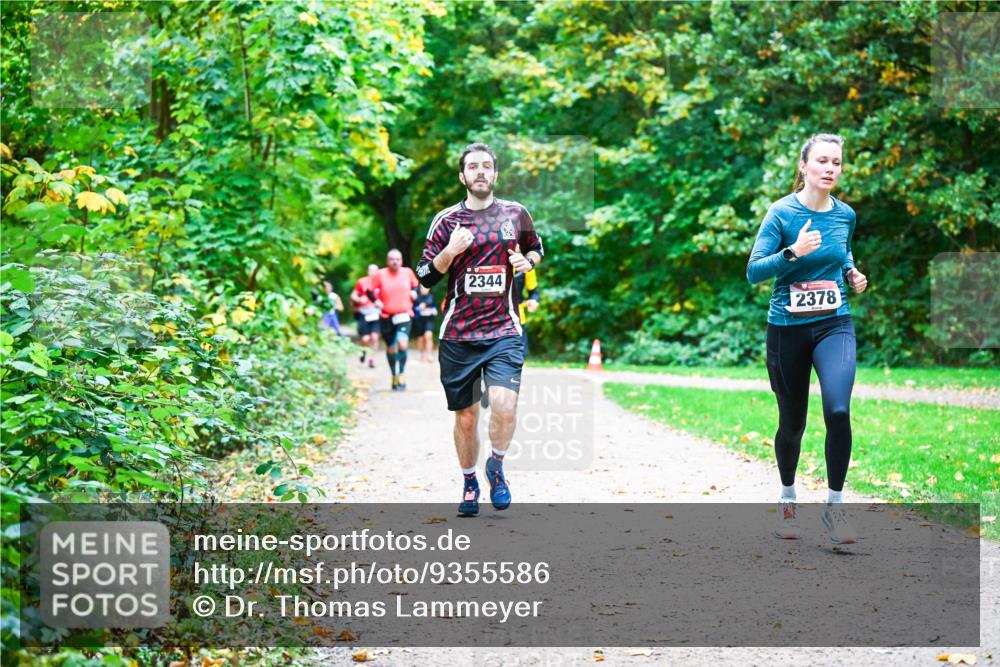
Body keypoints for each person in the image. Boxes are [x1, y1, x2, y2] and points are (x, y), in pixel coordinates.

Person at [746, 133, 868, 545]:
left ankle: (835, 509)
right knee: (792, 423)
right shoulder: (781, 213)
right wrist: (792, 252)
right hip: (787, 330)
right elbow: (754, 271)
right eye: (822, 161)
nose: (830, 168)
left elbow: (843, 252)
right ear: (804, 166)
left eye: (837, 162)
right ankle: (787, 499)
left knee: (838, 409)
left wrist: (852, 273)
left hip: (835, 323)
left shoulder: (845, 214)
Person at [415, 142, 544, 517]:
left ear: (496, 174)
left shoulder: (515, 214)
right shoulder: (446, 221)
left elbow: (536, 248)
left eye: (487, 166)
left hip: (504, 329)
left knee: (504, 405)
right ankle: (469, 481)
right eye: (473, 167)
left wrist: (527, 261)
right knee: (467, 416)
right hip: (459, 335)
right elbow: (425, 275)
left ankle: (496, 467)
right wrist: (450, 251)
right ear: (462, 176)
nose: (481, 171)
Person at [369, 249, 418, 391]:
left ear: (401, 261)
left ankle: (401, 373)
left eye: (397, 259)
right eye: (392, 259)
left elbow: (416, 285)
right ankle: (394, 375)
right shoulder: (380, 274)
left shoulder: (407, 272)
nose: (395, 262)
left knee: (402, 344)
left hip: (404, 314)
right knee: (391, 348)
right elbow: (368, 290)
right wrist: (376, 301)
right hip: (386, 316)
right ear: (387, 261)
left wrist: (414, 292)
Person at [351, 264, 381, 367]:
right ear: (368, 271)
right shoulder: (362, 282)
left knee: (375, 337)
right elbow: (353, 295)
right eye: (371, 270)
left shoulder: (381, 282)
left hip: (376, 313)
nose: (373, 272)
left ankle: (372, 359)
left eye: (375, 270)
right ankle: (363, 352)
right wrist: (359, 299)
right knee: (365, 339)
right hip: (364, 313)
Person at [513, 268, 540, 356]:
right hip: (487, 318)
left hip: (517, 318)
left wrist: (534, 300)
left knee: (519, 354)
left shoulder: (526, 265)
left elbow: (534, 292)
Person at [411, 285, 439, 362]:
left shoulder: (431, 296)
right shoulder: (416, 297)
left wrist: (434, 310)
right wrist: (419, 308)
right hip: (419, 320)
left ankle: (429, 355)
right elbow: (413, 309)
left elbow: (434, 306)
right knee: (420, 339)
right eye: (422, 288)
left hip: (429, 319)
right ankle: (421, 355)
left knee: (428, 336)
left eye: (426, 288)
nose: (424, 289)